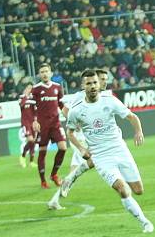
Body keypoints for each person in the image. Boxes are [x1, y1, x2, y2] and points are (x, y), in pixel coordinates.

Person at [66, 69, 153, 233]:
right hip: (101, 157)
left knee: (138, 190)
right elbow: (69, 132)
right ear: (82, 86)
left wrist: (138, 131)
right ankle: (145, 222)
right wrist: (81, 148)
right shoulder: (76, 110)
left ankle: (128, 197)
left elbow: (132, 117)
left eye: (94, 83)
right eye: (88, 83)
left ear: (99, 84)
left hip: (120, 149)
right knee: (123, 189)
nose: (92, 86)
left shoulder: (110, 101)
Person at [47, 69, 111, 210]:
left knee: (75, 170)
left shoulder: (102, 97)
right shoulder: (81, 95)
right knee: (93, 160)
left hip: (88, 137)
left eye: (106, 79)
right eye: (102, 79)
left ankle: (55, 199)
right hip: (80, 138)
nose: (105, 82)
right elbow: (64, 109)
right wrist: (75, 124)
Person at [32, 63, 67, 189]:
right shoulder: (36, 89)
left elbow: (61, 105)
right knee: (42, 152)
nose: (45, 74)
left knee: (63, 148)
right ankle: (43, 181)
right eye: (42, 72)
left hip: (55, 124)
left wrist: (70, 118)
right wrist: (34, 121)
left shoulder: (57, 87)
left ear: (51, 73)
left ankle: (54, 174)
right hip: (42, 126)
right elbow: (31, 107)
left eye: (46, 71)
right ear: (39, 74)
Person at [18, 83, 37, 168]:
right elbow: (21, 105)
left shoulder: (33, 98)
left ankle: (31, 161)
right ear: (25, 89)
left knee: (33, 142)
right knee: (30, 140)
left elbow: (36, 110)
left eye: (31, 88)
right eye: (28, 88)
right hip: (25, 122)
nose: (30, 90)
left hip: (33, 122)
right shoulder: (21, 97)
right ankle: (22, 156)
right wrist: (25, 96)